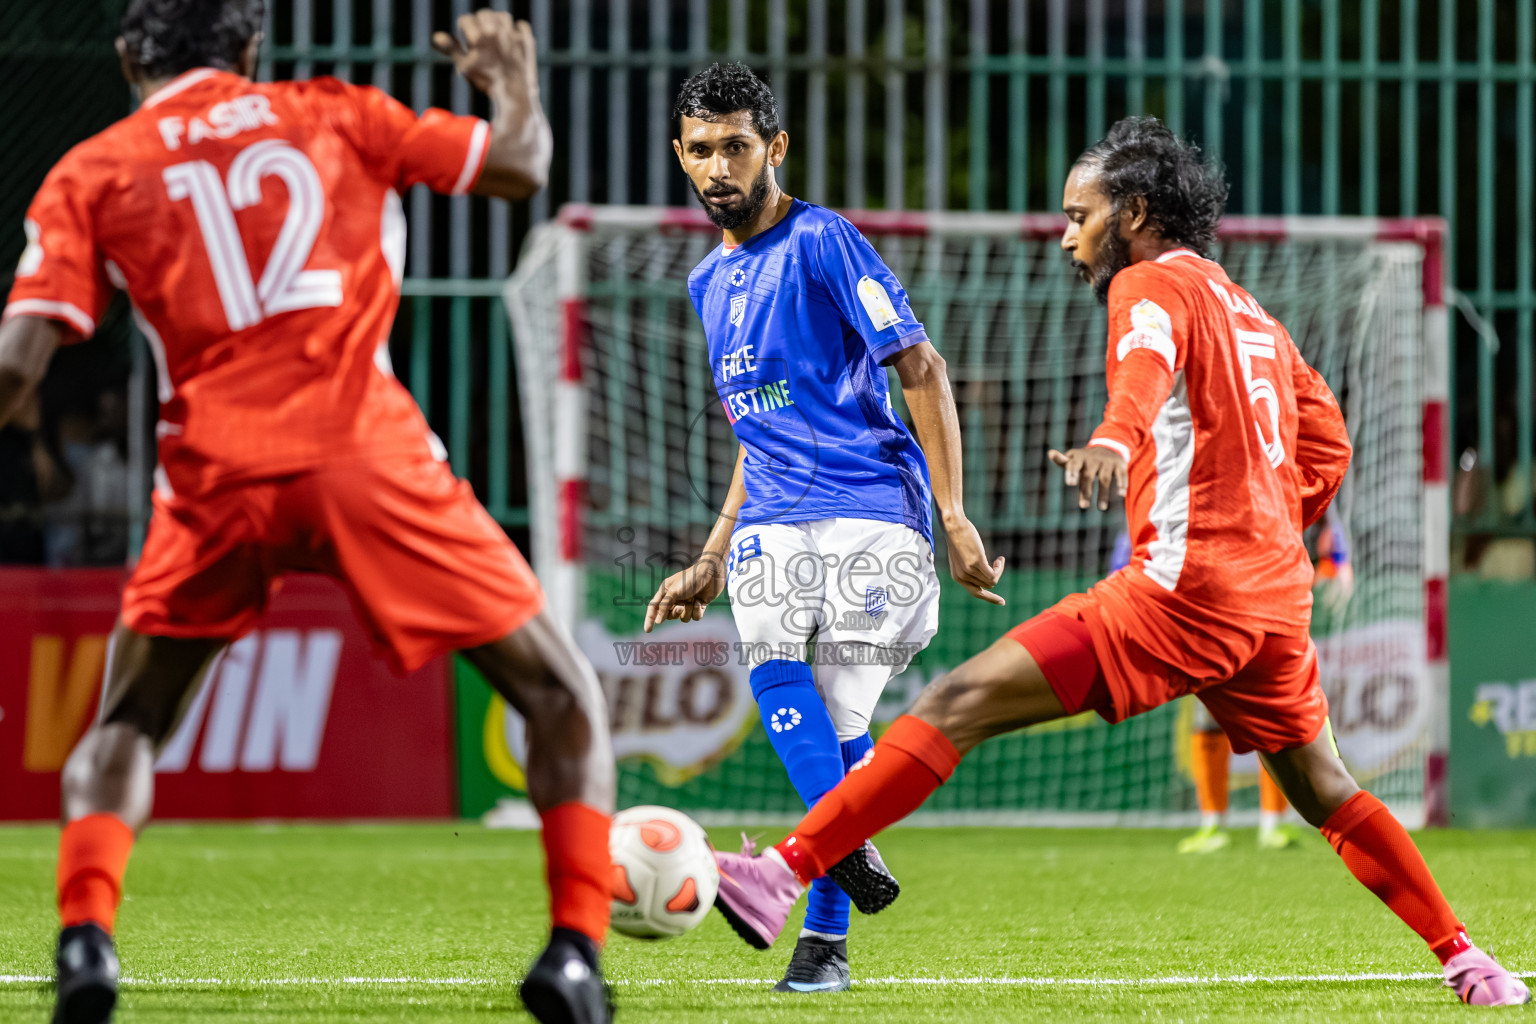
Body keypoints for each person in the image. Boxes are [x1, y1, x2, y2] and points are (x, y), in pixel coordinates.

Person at [705, 116, 1529, 1008]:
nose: (1066, 236)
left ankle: (780, 876)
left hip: (1184, 592)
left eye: (1078, 215)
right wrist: (1273, 535)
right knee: (1328, 790)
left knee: (956, 703)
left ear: (1132, 212)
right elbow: (1326, 442)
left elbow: (1142, 370)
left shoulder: (1145, 286)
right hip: (1273, 603)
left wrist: (1113, 438)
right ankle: (1466, 956)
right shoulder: (1250, 310)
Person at [0, 4, 615, 1022]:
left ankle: (85, 946)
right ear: (249, 52)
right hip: (365, 454)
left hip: (211, 475)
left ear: (124, 60)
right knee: (560, 693)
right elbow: (518, 165)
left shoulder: (93, 169)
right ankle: (574, 956)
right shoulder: (337, 113)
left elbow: (21, 363)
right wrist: (512, 81)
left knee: (128, 723)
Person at [642, 62, 1004, 994]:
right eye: (701, 150)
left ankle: (824, 921)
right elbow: (750, 428)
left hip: (873, 507)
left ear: (775, 148)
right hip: (769, 516)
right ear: (680, 159)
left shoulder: (827, 241)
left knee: (838, 712)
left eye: (736, 146)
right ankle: (830, 925)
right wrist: (713, 552)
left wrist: (956, 515)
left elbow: (920, 368)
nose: (719, 166)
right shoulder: (705, 283)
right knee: (775, 663)